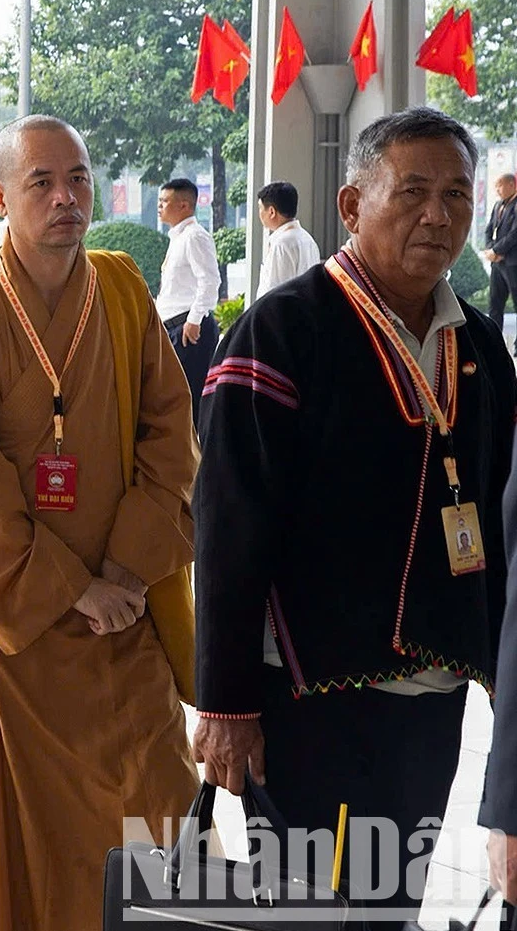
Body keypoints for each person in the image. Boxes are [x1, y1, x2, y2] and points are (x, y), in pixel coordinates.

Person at [199, 109, 514, 925]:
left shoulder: (478, 343)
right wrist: (225, 703)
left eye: (455, 194)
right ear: (350, 203)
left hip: (432, 691)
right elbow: (231, 529)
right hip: (307, 695)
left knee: (389, 906)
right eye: (412, 191)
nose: (438, 215)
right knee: (311, 911)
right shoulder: (285, 328)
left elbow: (501, 521)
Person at [0, 115, 199, 931]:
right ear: (1, 196)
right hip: (20, 633)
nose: (66, 197)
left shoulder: (119, 287)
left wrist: (121, 574)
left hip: (128, 613)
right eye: (41, 182)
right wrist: (72, 590)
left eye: (77, 177)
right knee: (27, 853)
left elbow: (170, 434)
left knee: (158, 806)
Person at [156, 178, 220, 416]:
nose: (160, 206)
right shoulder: (178, 237)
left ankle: (195, 452)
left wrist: (194, 320)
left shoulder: (194, 236)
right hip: (176, 327)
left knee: (190, 400)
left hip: (190, 330)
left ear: (184, 205)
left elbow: (210, 280)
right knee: (175, 399)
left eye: (165, 201)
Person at [255, 180, 321, 298]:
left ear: (271, 212)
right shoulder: (308, 240)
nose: (259, 213)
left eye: (260, 208)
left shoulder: (282, 244)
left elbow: (275, 294)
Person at [484, 173, 517, 337]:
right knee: (495, 304)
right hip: (497, 263)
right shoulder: (498, 206)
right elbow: (489, 230)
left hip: (513, 262)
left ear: (512, 185)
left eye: (500, 185)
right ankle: (494, 341)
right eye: (496, 186)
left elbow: (514, 234)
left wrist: (497, 251)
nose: (497, 190)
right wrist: (491, 250)